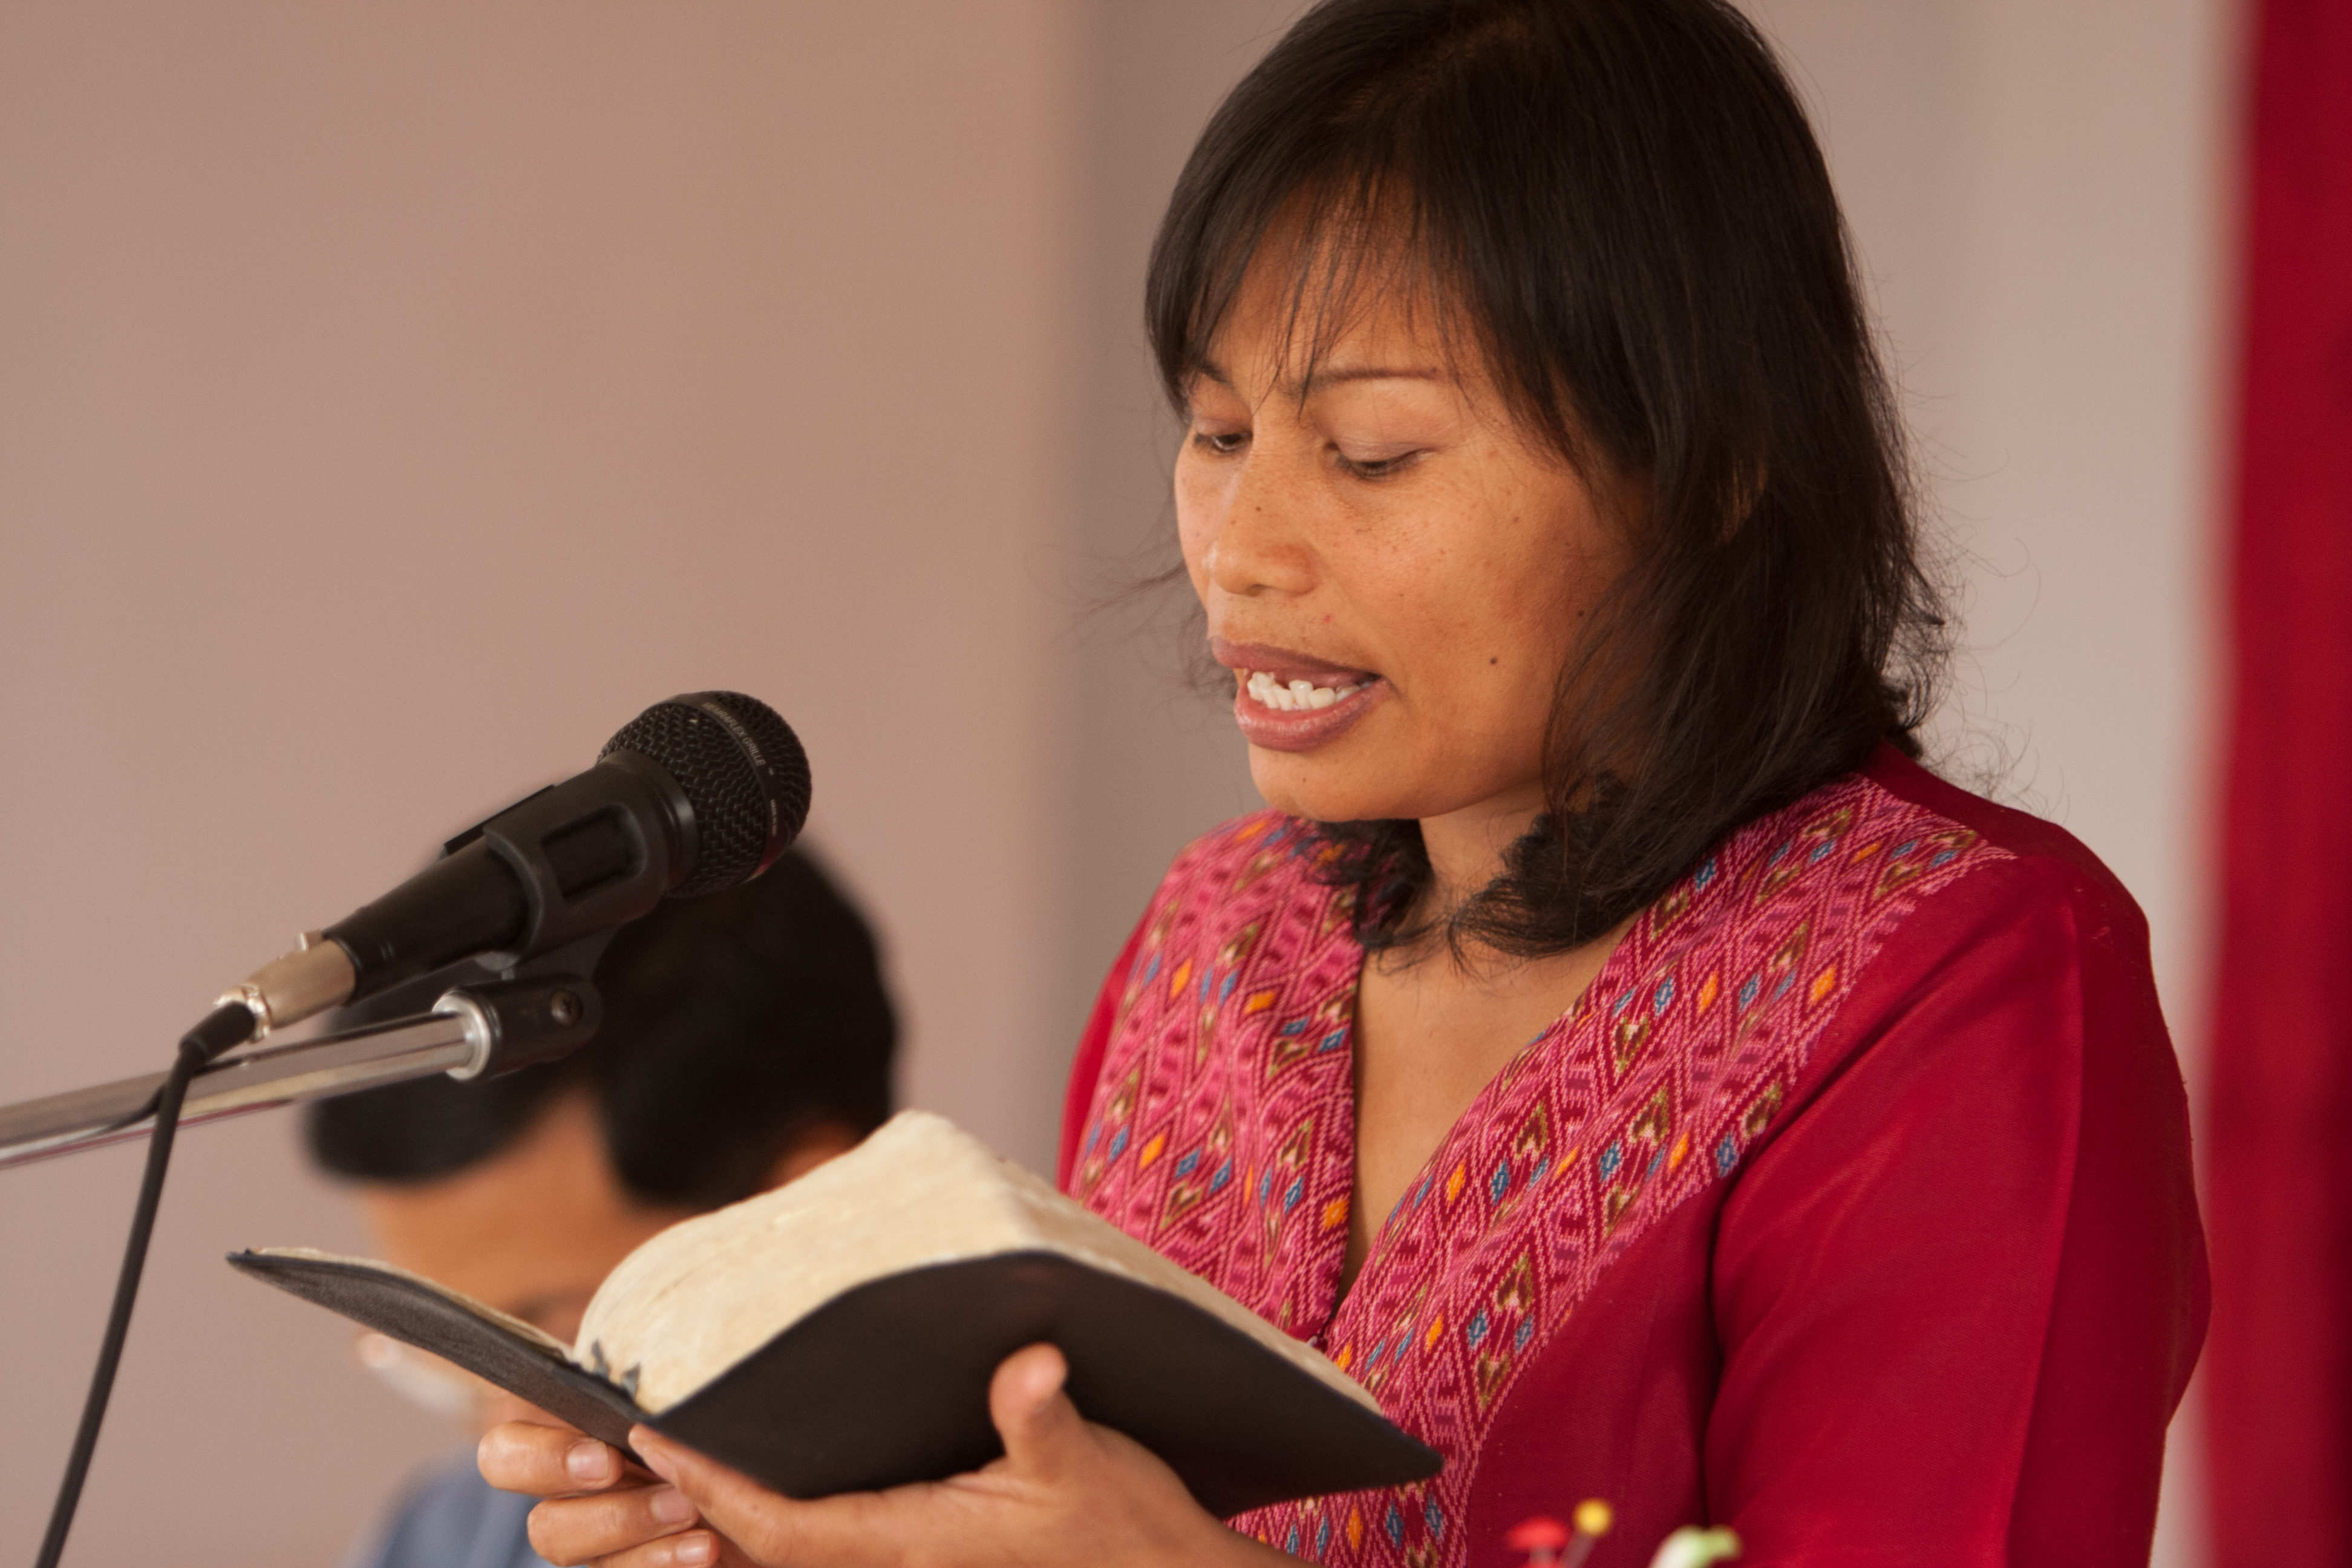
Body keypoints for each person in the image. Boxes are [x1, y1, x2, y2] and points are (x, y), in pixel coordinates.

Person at [476, 2, 2209, 1564]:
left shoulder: (1961, 984)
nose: (1239, 550)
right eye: (1218, 433)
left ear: (1714, 466)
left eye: (1373, 452)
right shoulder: (1224, 938)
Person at [309, 848, 895, 1568]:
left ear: (810, 1211)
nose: (503, 1442)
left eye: (546, 1343)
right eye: (449, 1355)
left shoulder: (1046, 1522)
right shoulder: (449, 1536)